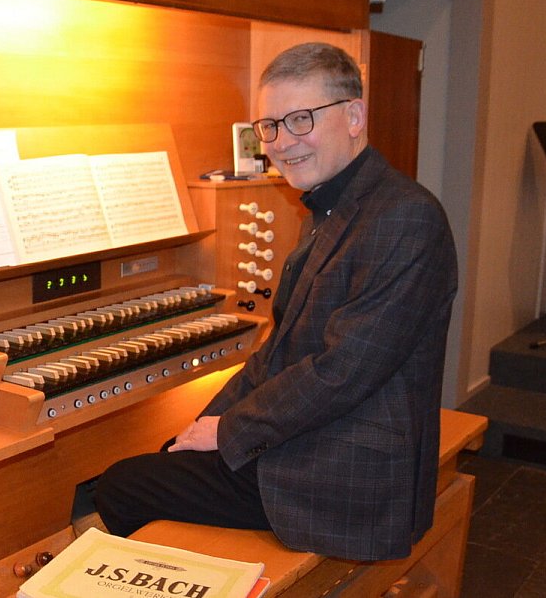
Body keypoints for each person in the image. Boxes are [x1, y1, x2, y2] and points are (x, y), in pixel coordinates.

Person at [94, 42, 458, 562]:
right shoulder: (333, 207)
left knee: (121, 488)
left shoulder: (405, 217)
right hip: (318, 436)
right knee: (161, 465)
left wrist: (231, 431)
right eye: (270, 126)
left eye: (301, 120)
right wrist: (203, 427)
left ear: (354, 116)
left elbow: (342, 372)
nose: (282, 143)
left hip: (349, 474)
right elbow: (278, 352)